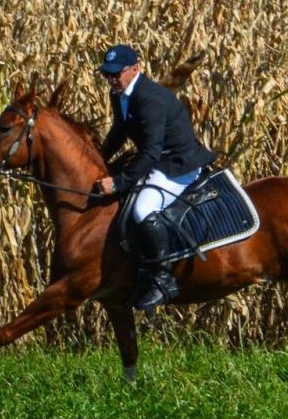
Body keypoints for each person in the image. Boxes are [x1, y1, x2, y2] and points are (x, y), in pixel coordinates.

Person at [91, 44, 218, 310]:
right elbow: (119, 130)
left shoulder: (149, 99)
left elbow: (150, 152)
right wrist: (99, 159)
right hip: (158, 159)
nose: (111, 79)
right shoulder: (119, 93)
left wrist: (119, 182)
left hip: (178, 164)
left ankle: (163, 279)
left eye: (116, 73)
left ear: (135, 69)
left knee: (142, 208)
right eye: (107, 74)